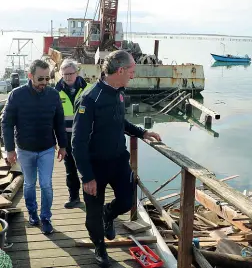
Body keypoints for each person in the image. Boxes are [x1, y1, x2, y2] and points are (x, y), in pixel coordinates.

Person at [72, 50, 161, 267]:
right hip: (95, 166)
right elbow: (77, 142)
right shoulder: (91, 98)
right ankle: (100, 248)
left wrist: (142, 133)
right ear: (120, 70)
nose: (133, 75)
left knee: (126, 200)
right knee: (92, 216)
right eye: (131, 70)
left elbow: (120, 122)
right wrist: (87, 177)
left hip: (119, 160)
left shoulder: (120, 92)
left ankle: (109, 214)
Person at [1, 59, 67, 235]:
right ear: (30, 76)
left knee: (46, 184)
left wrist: (63, 145)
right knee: (30, 184)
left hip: (47, 148)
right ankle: (32, 213)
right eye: (40, 79)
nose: (44, 83)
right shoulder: (16, 95)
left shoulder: (53, 95)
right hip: (24, 149)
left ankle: (45, 218)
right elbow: (6, 123)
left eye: (47, 79)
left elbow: (59, 122)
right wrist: (9, 149)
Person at [55, 58, 91, 208]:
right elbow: (54, 118)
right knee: (70, 168)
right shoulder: (55, 92)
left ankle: (91, 198)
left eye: (70, 73)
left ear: (77, 73)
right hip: (66, 137)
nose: (68, 77)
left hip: (86, 137)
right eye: (65, 74)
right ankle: (74, 197)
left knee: (87, 167)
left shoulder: (89, 89)